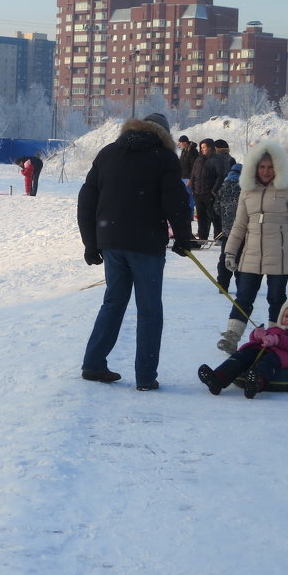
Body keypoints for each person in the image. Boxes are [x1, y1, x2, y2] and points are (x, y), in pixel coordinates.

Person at [77, 113, 195, 390]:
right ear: (164, 134)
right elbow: (175, 201)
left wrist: (90, 242)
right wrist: (183, 238)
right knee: (149, 310)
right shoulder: (164, 158)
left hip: (112, 241)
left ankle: (93, 364)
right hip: (147, 244)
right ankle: (145, 376)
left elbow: (87, 200)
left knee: (113, 303)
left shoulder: (108, 153)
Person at [217, 140, 288, 353]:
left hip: (280, 255)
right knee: (244, 297)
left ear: (278, 167)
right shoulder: (247, 190)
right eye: (262, 167)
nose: (266, 171)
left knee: (276, 298)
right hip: (251, 254)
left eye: (270, 167)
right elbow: (240, 225)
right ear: (254, 167)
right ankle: (232, 337)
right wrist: (229, 251)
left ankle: (276, 338)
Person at [198, 297, 288, 399]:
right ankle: (218, 379)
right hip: (261, 350)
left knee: (267, 362)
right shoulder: (275, 328)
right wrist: (257, 334)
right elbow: (255, 340)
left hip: (281, 357)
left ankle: (256, 382)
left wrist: (277, 340)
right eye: (286, 315)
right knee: (243, 355)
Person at [214, 162, 243, 293]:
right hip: (241, 230)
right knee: (241, 258)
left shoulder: (222, 187)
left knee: (225, 257)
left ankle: (222, 284)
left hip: (226, 231)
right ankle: (242, 286)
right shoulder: (244, 188)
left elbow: (216, 208)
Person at [190, 138, 224, 240]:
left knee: (214, 216)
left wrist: (214, 190)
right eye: (201, 147)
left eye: (204, 147)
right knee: (201, 217)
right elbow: (193, 174)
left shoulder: (217, 159)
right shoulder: (198, 159)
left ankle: (218, 237)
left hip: (210, 193)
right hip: (198, 193)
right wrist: (192, 188)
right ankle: (202, 237)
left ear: (210, 148)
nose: (202, 149)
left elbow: (220, 176)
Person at [177, 135, 199, 217]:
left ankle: (191, 214)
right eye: (180, 142)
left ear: (186, 142)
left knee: (189, 197)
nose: (181, 144)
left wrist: (191, 179)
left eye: (182, 142)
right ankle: (186, 214)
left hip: (189, 179)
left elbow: (194, 166)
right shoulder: (184, 151)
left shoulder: (192, 151)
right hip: (183, 177)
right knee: (184, 197)